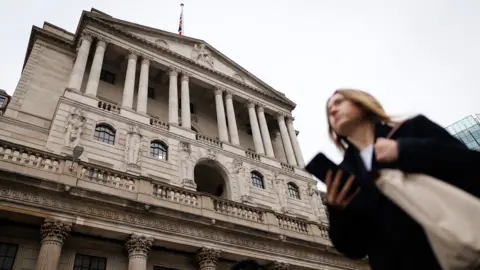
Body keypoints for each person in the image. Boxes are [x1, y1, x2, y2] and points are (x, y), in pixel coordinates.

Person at [324, 89, 480, 270]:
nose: (333, 111)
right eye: (329, 111)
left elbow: (472, 168)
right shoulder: (345, 176)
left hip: (453, 255)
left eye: (339, 102)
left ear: (363, 104)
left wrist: (403, 150)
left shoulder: (412, 129)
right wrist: (337, 212)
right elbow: (354, 249)